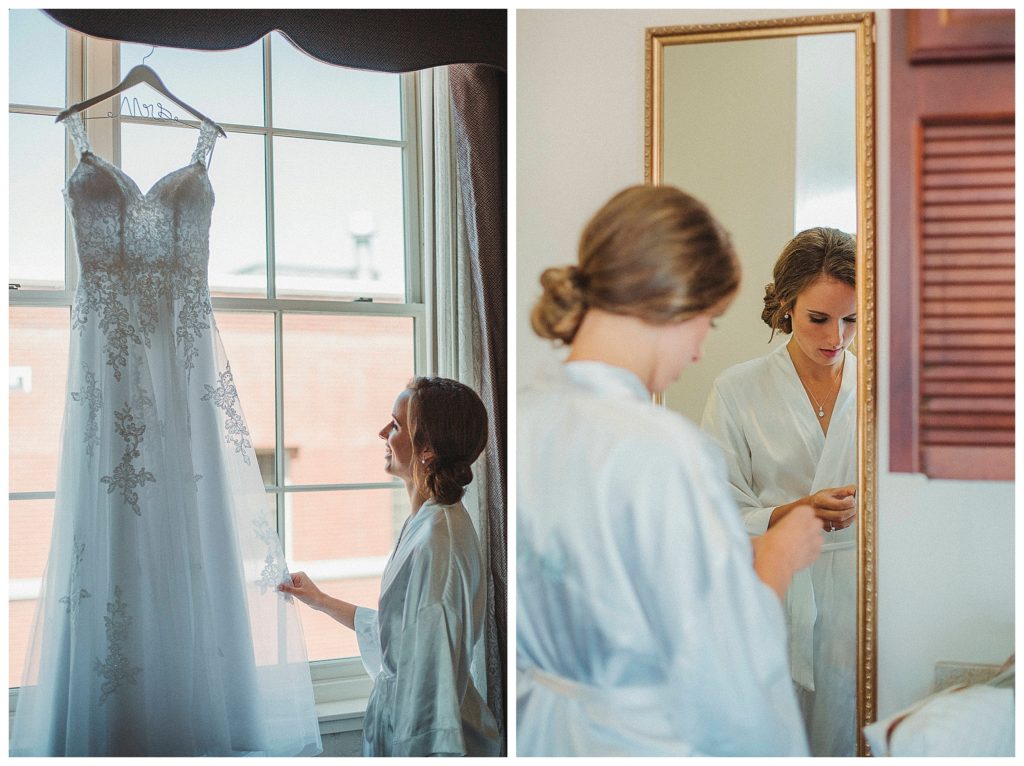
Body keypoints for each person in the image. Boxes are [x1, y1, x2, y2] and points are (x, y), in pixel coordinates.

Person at [517, 185, 825, 756]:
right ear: (673, 303)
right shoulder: (659, 449)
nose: (700, 351)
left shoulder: (526, 418)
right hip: (641, 738)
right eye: (709, 321)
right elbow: (725, 670)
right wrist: (777, 559)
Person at [280, 377, 501, 757]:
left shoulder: (439, 543)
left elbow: (431, 690)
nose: (383, 432)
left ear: (427, 448)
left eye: (396, 425)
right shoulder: (425, 522)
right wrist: (321, 601)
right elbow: (400, 637)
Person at [701, 227, 857, 757]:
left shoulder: (880, 387)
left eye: (851, 320)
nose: (836, 336)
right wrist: (794, 512)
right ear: (787, 306)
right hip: (772, 587)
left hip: (861, 594)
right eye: (819, 318)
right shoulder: (737, 390)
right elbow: (712, 507)